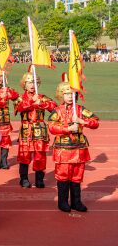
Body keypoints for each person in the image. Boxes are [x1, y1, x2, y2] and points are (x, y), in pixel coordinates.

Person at [47, 81, 99, 212]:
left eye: (72, 93)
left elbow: (95, 122)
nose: (70, 96)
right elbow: (52, 127)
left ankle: (76, 202)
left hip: (79, 148)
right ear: (61, 95)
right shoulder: (57, 111)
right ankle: (62, 202)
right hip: (63, 149)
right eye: (66, 94)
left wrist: (82, 121)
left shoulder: (81, 110)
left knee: (77, 176)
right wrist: (68, 128)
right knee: (63, 175)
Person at [15, 73, 57, 188]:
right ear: (24, 84)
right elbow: (19, 107)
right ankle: (23, 178)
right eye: (29, 82)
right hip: (26, 130)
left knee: (40, 155)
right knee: (24, 155)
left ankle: (39, 179)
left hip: (39, 129)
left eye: (34, 82)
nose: (32, 85)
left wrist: (42, 103)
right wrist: (31, 102)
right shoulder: (20, 98)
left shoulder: (42, 97)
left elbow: (54, 107)